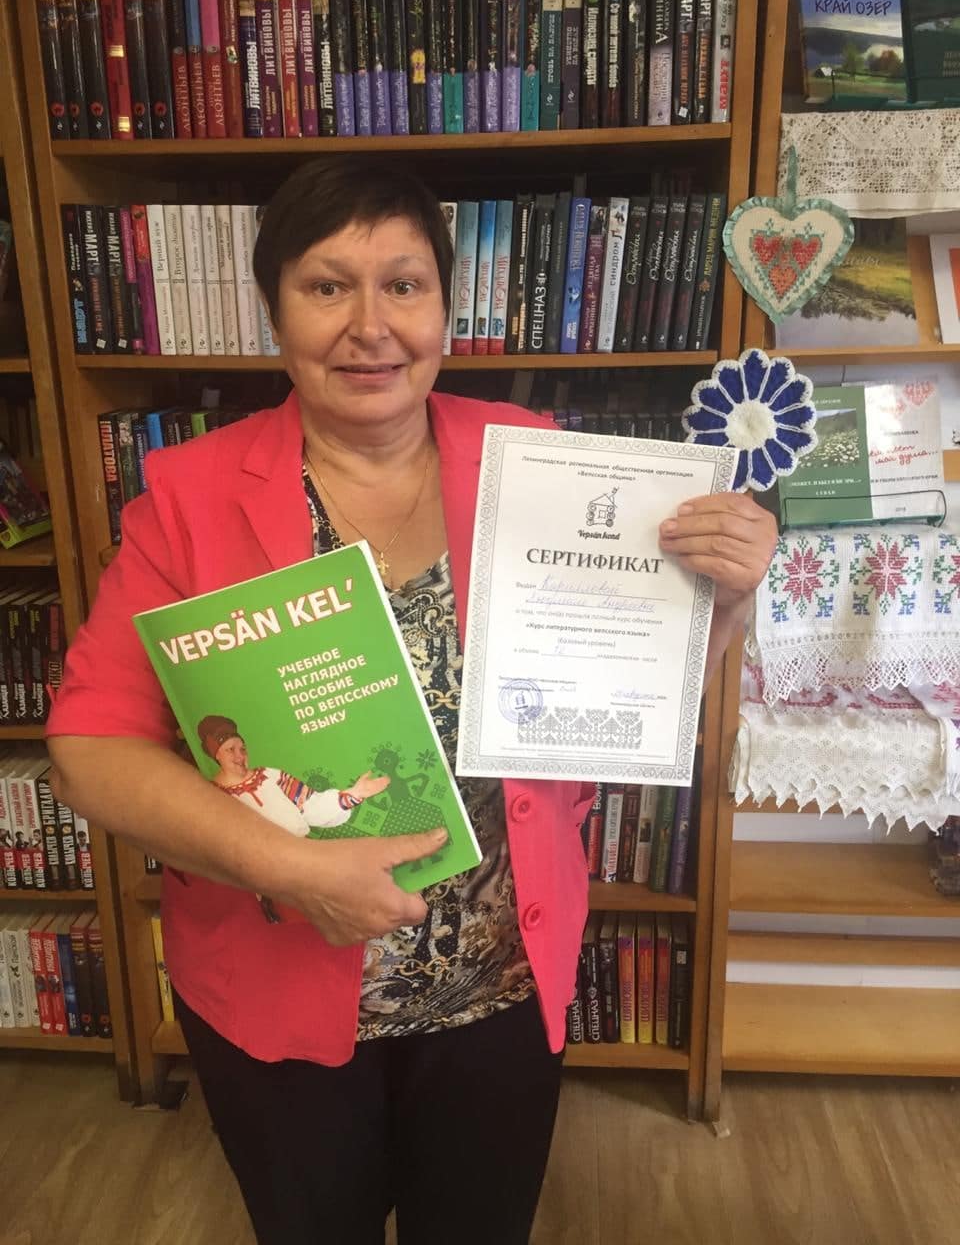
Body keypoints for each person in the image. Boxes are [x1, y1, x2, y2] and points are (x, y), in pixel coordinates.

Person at [46, 156, 778, 1245]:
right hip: (277, 990)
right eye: (326, 286)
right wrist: (289, 866)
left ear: (445, 307)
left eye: (403, 284)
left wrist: (723, 600)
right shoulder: (191, 498)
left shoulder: (540, 465)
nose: (370, 326)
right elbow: (90, 746)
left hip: (502, 987)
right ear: (274, 313)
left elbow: (619, 704)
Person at [198, 713, 390, 837]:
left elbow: (311, 807)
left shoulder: (270, 776)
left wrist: (354, 794)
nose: (240, 756)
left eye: (243, 748)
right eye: (230, 750)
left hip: (303, 857)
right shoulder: (212, 796)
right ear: (216, 755)